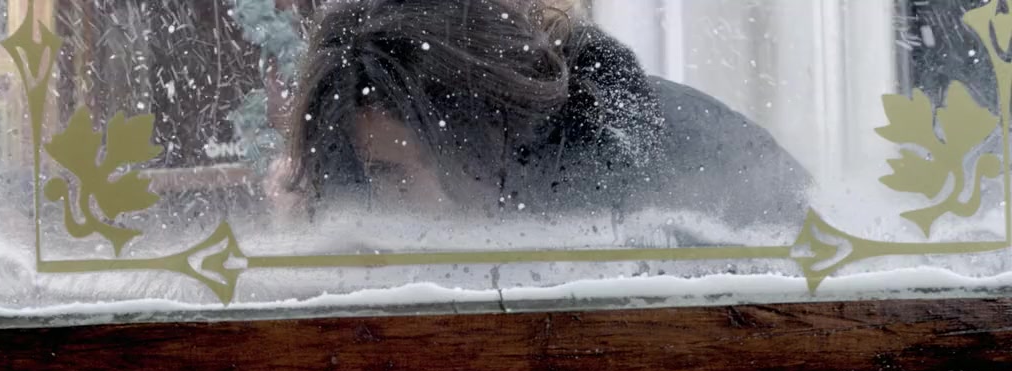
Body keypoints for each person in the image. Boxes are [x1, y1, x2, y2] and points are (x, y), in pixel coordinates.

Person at [281, 0, 811, 230]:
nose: (429, 201)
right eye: (389, 176)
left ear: (507, 125)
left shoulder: (684, 171)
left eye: (461, 159)